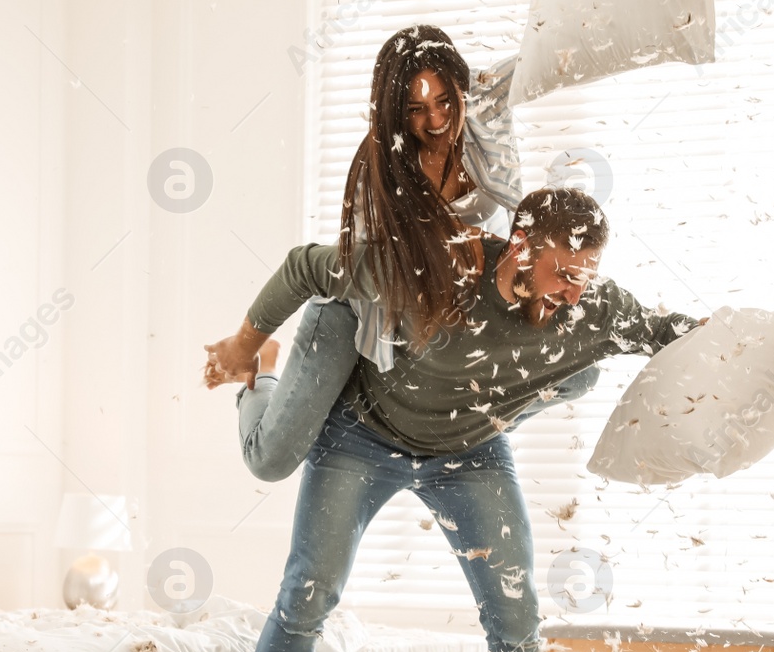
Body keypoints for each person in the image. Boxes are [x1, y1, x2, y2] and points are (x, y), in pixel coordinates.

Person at [203, 187, 701, 652]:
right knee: (306, 597)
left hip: (468, 451)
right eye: (562, 273)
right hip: (365, 433)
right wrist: (245, 342)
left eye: (585, 277)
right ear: (522, 246)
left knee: (516, 621)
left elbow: (684, 340)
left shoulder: (594, 309)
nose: (573, 294)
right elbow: (303, 265)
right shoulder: (440, 267)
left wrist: (756, 349)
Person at [218, 24, 598, 483]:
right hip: (373, 305)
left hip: (466, 301)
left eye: (444, 101)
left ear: (462, 87)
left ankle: (472, 429)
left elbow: (551, 55)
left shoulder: (484, 102)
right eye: (416, 109)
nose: (436, 120)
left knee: (581, 372)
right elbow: (334, 272)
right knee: (270, 461)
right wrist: (245, 346)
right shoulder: (378, 174)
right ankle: (262, 378)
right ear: (396, 113)